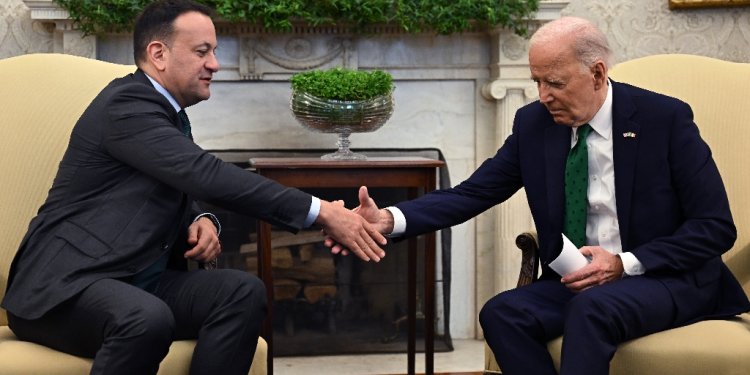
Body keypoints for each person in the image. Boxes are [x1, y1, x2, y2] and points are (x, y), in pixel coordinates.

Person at [338, 16, 750, 375]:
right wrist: (390, 220)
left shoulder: (664, 120)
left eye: (555, 82)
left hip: (665, 278)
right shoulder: (535, 124)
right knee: (502, 313)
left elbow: (714, 228)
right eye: (537, 81)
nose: (544, 95)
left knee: (592, 311)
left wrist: (622, 264)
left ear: (597, 73)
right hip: (578, 280)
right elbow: (473, 193)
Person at [1, 1, 386, 374]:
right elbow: (205, 173)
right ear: (159, 53)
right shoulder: (127, 106)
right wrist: (324, 213)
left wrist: (200, 217)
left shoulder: (167, 114)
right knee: (145, 318)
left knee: (241, 293)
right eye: (203, 51)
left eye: (214, 51)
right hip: (63, 289)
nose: (215, 64)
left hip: (135, 279)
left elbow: (173, 179)